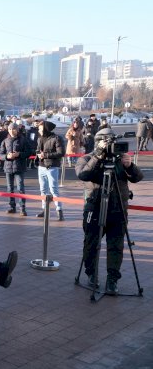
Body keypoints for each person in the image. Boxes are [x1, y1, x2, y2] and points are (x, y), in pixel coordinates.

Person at [76, 128, 143, 294]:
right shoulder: (87, 158)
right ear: (98, 141)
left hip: (117, 209)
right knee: (91, 243)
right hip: (95, 207)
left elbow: (137, 177)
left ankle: (112, 280)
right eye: (106, 141)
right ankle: (92, 275)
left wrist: (129, 165)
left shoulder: (119, 160)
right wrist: (97, 156)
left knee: (116, 246)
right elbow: (83, 174)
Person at [35, 121, 65, 220]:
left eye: (40, 128)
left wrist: (46, 155)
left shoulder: (56, 138)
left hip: (52, 167)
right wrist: (38, 155)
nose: (38, 130)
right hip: (41, 166)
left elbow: (61, 153)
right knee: (43, 189)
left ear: (46, 129)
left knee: (54, 189)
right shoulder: (39, 139)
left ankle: (59, 210)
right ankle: (44, 209)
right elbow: (38, 150)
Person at [0, 123, 30, 216]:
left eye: (13, 129)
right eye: (10, 129)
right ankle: (12, 207)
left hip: (19, 167)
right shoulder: (5, 141)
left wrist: (19, 154)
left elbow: (29, 152)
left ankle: (22, 208)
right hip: (8, 168)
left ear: (17, 130)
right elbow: (0, 155)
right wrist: (7, 156)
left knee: (20, 188)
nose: (11, 131)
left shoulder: (23, 140)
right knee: (10, 188)